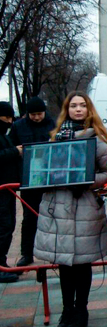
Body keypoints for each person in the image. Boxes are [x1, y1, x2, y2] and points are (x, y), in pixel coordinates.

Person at [34, 92, 107, 327]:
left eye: (82, 105)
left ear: (89, 109)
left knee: (81, 264)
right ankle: (66, 309)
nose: (78, 109)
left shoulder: (97, 141)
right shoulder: (54, 140)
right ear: (66, 110)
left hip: (84, 209)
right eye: (73, 105)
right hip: (57, 208)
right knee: (64, 264)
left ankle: (81, 310)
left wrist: (86, 181)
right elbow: (40, 170)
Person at [9, 97, 55, 268]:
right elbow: (12, 147)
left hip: (50, 179)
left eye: (39, 114)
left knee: (52, 216)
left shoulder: (53, 125)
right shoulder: (18, 126)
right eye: (33, 114)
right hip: (29, 178)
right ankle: (26, 253)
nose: (36, 117)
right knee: (29, 217)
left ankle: (53, 252)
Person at [0, 101, 21, 283]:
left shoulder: (4, 135)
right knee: (3, 226)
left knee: (8, 226)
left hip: (8, 189)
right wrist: (14, 151)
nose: (9, 122)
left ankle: (3, 263)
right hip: (2, 189)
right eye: (6, 118)